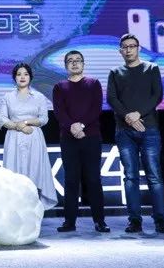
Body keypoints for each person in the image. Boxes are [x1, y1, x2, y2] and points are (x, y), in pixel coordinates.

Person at [107, 34, 164, 234]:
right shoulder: (115, 72)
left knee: (154, 176)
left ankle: (160, 220)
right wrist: (128, 117)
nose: (128, 50)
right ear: (120, 51)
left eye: (132, 46)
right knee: (130, 177)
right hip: (124, 131)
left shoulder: (151, 68)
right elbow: (112, 98)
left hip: (149, 129)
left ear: (139, 48)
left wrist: (137, 114)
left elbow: (157, 95)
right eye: (125, 47)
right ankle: (134, 220)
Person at [52, 51, 110, 233]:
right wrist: (72, 126)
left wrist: (82, 125)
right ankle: (69, 222)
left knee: (93, 179)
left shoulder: (93, 83)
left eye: (78, 60)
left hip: (91, 137)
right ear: (65, 65)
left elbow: (96, 108)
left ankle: (100, 221)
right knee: (71, 180)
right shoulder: (59, 86)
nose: (74, 63)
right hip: (68, 138)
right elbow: (59, 111)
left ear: (83, 64)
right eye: (70, 61)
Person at [0, 63, 57, 210]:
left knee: (34, 173)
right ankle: (16, 212)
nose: (22, 77)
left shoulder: (39, 97)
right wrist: (18, 127)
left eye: (25, 74)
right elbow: (2, 119)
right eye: (19, 74)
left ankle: (34, 211)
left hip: (34, 138)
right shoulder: (8, 97)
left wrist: (26, 122)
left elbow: (44, 119)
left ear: (30, 77)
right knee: (14, 175)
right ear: (14, 78)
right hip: (14, 138)